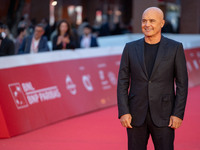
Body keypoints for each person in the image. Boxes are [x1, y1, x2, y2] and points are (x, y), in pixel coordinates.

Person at [117, 7, 188, 150]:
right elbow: (122, 82)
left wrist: (178, 114)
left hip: (165, 115)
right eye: (144, 21)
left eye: (152, 20)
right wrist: (124, 111)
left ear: (162, 23)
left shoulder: (175, 48)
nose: (147, 24)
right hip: (135, 115)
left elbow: (182, 84)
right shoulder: (130, 48)